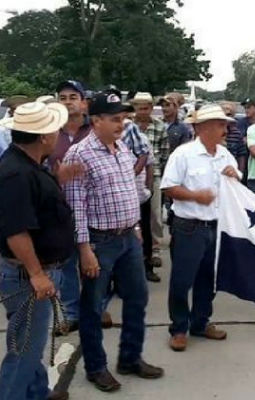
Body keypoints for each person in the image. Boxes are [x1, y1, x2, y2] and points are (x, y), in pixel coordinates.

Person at [64, 93, 163, 393]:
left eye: (123, 118)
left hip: (127, 238)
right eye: (115, 118)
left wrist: (135, 226)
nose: (122, 123)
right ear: (96, 120)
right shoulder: (79, 155)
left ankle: (130, 357)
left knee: (137, 298)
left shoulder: (121, 148)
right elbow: (76, 207)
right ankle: (96, 367)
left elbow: (131, 188)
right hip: (98, 242)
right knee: (93, 308)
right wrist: (84, 250)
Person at [0, 101, 83, 400]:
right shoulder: (16, 174)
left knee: (30, 341)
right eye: (54, 130)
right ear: (44, 137)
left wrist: (58, 179)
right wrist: (36, 273)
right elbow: (16, 231)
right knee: (24, 350)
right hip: (28, 276)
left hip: (36, 272)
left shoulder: (28, 167)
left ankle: (36, 393)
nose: (58, 134)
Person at [161, 104, 239, 351]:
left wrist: (235, 175)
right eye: (219, 124)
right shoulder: (183, 154)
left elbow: (238, 181)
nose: (224, 129)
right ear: (201, 128)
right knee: (182, 281)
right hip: (189, 226)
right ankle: (179, 327)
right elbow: (169, 187)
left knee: (209, 279)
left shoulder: (225, 155)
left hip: (216, 226)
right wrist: (195, 196)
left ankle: (200, 321)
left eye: (224, 124)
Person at [45, 80, 92, 335]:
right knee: (66, 263)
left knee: (94, 262)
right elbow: (38, 170)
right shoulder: (49, 133)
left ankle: (96, 306)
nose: (67, 102)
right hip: (59, 209)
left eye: (73, 96)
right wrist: (57, 177)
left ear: (84, 102)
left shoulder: (96, 129)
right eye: (62, 97)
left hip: (94, 209)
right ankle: (71, 313)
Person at [130, 92, 169, 271]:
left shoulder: (160, 127)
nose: (142, 111)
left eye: (146, 108)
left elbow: (164, 154)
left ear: (151, 109)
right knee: (135, 215)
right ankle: (137, 250)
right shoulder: (128, 127)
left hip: (155, 174)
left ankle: (155, 250)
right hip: (132, 175)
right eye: (139, 108)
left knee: (155, 214)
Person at [220, 102, 247, 174]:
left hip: (231, 172)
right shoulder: (211, 132)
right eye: (224, 114)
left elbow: (241, 155)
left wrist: (239, 174)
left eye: (229, 114)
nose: (226, 117)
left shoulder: (236, 133)